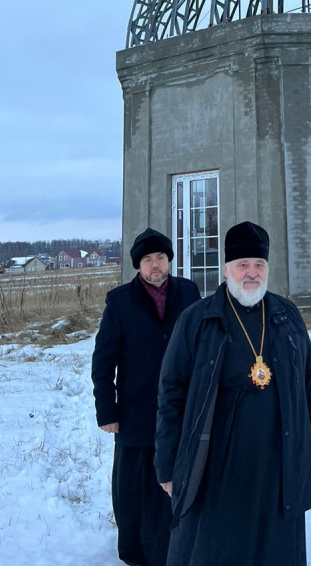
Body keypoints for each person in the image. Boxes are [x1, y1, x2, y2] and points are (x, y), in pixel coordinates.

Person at [156, 221, 311, 566]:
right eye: (243, 265)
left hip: (278, 465)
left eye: (259, 264)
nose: (252, 273)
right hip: (217, 469)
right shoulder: (197, 320)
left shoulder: (286, 315)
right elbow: (171, 393)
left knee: (276, 551)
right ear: (226, 269)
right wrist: (167, 464)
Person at [92, 228, 200, 566]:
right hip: (136, 412)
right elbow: (103, 361)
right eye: (148, 259)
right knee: (135, 487)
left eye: (161, 258)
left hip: (181, 408)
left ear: (169, 260)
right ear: (138, 265)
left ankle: (177, 546)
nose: (156, 265)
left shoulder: (189, 292)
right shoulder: (120, 301)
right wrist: (107, 410)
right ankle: (137, 552)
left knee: (178, 478)